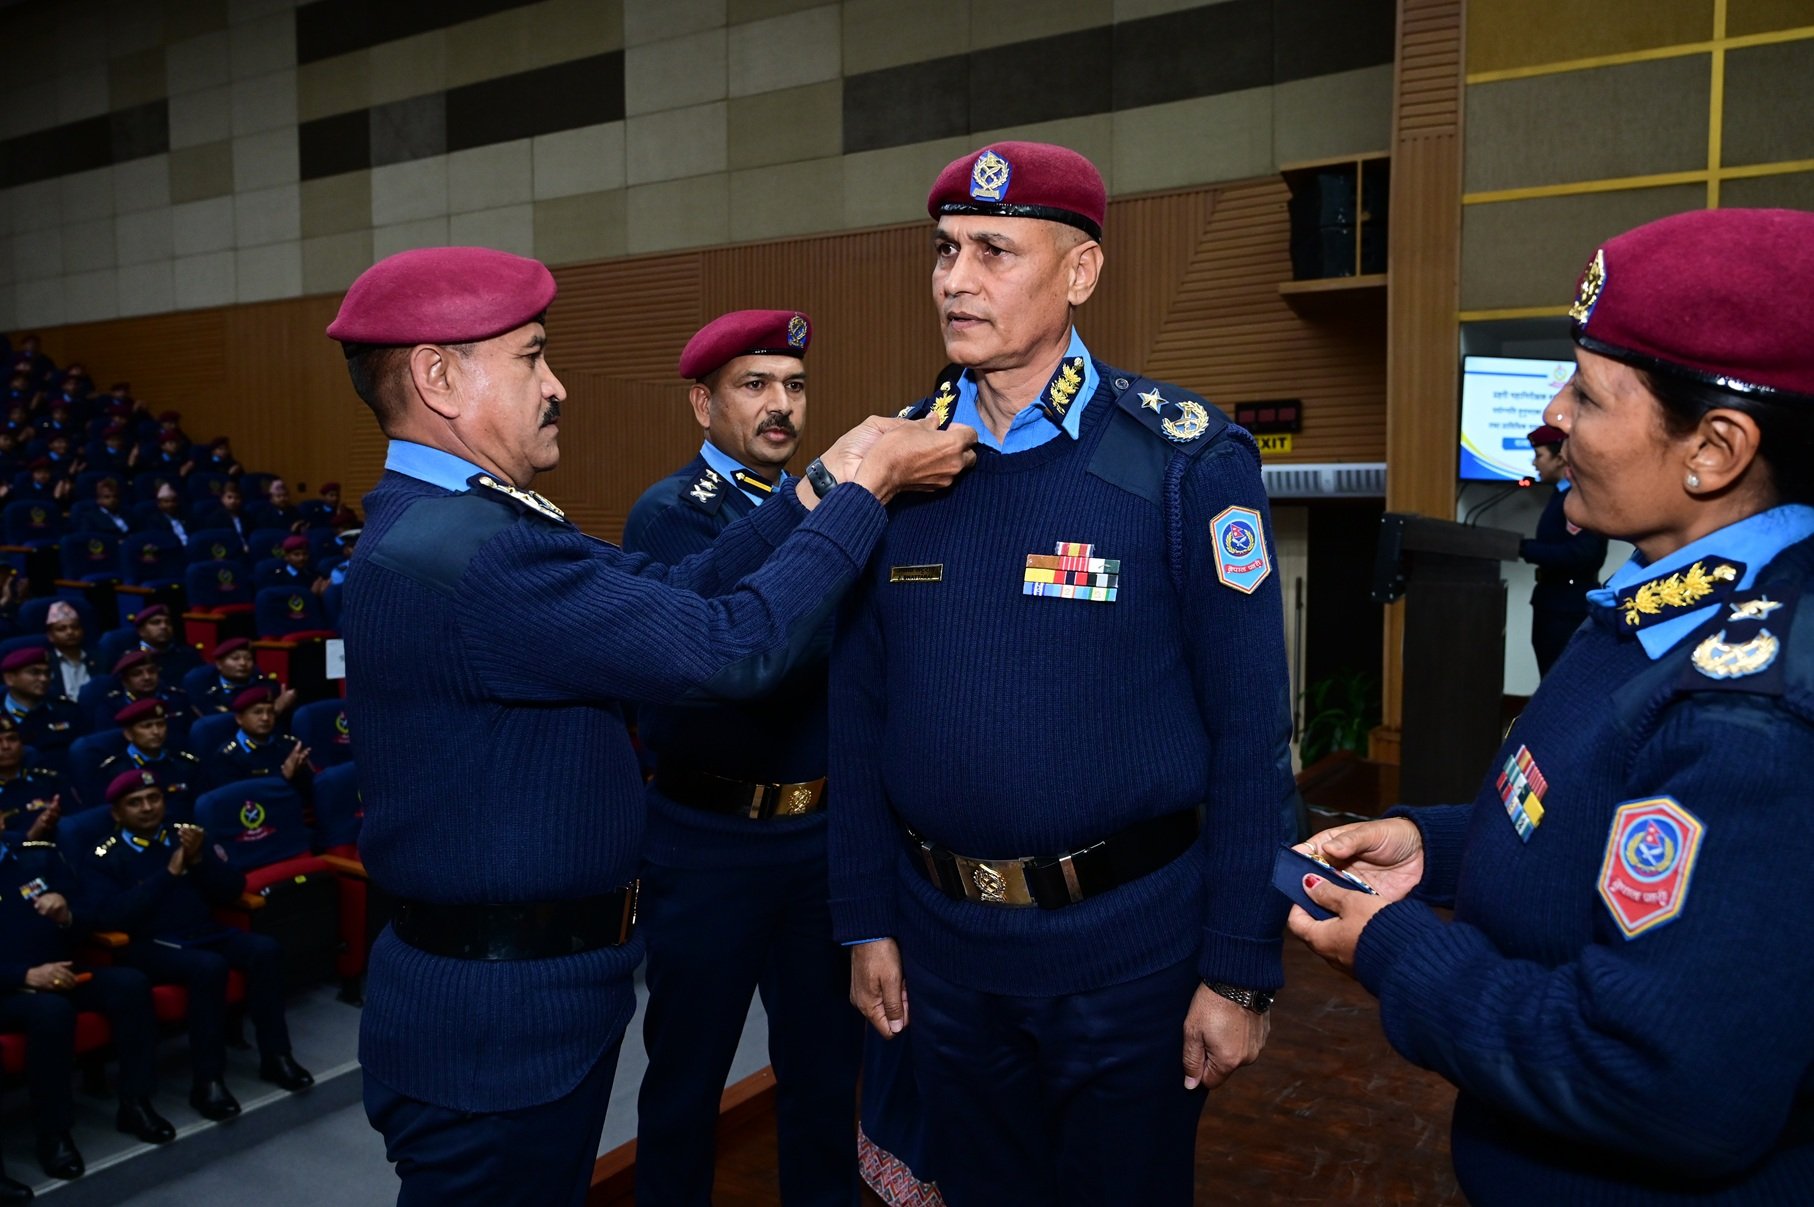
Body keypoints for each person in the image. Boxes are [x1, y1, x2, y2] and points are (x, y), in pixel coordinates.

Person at [329, 245, 973, 1207]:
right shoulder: (474, 553)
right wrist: (864, 491)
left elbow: (670, 590)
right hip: (500, 1027)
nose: (556, 387)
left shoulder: (461, 524)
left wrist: (814, 485)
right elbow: (732, 645)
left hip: (522, 1002)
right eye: (532, 357)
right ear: (438, 376)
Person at [1289, 208, 1814, 1203]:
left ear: (1713, 448)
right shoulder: (1660, 606)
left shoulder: (1750, 709)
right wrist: (1430, 845)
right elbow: (1591, 822)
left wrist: (1397, 951)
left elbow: (1661, 1084)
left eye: (1585, 390)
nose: (1551, 417)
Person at [826, 143, 1294, 1206]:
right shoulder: (892, 469)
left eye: (994, 250)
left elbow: (1249, 732)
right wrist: (865, 920)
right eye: (944, 250)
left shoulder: (1182, 461)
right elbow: (855, 720)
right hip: (946, 955)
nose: (954, 279)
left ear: (1079, 272)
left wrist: (1236, 967)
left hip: (1128, 961)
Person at [623, 310, 865, 1205]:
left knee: (823, 1073)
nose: (781, 407)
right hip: (708, 839)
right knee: (687, 1083)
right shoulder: (670, 515)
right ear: (703, 402)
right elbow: (742, 665)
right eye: (754, 385)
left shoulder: (821, 507)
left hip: (816, 841)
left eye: (794, 386)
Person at [81, 768, 313, 1121]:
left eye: (154, 798)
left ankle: (276, 1056)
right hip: (149, 945)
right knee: (208, 968)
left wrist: (200, 859)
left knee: (265, 950)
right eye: (136, 802)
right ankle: (208, 1081)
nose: (147, 808)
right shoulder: (104, 856)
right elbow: (111, 916)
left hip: (203, 933)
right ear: (117, 813)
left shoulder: (185, 837)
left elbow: (231, 889)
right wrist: (170, 874)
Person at [1, 812, 174, 1180]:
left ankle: (135, 1103)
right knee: (51, 1013)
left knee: (130, 985)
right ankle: (54, 1133)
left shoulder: (37, 855)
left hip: (61, 970)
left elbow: (86, 915)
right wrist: (25, 975)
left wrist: (66, 915)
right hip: (9, 990)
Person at [1520, 423, 1607, 676]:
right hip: (1553, 600)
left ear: (1559, 458)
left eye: (1539, 455)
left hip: (1567, 606)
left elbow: (1580, 554)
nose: (1534, 463)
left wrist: (1523, 548)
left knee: (1558, 678)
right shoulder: (1560, 494)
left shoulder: (1578, 496)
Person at [96, 699, 202, 817]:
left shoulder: (184, 764)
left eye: (160, 724)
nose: (156, 732)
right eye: (147, 726)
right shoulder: (114, 771)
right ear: (129, 734)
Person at [199, 685, 307, 790]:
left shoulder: (287, 746)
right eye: (257, 712)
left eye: (270, 712)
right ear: (239, 719)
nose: (265, 718)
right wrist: (283, 776)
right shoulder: (227, 757)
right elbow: (238, 800)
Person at [2, 647, 84, 771]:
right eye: (34, 673)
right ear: (10, 679)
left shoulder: (66, 711)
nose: (44, 679)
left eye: (47, 673)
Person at [184, 638, 291, 717]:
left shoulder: (267, 687)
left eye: (248, 659)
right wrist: (274, 711)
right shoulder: (206, 690)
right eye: (235, 659)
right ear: (219, 664)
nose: (243, 663)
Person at [44, 600, 95, 703]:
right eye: (62, 629)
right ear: (50, 636)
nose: (70, 632)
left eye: (75, 627)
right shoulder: (45, 663)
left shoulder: (100, 659)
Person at [144, 481, 192, 547]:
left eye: (173, 501)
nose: (171, 504)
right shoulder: (154, 521)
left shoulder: (187, 516)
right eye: (166, 502)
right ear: (159, 504)